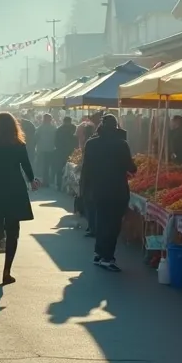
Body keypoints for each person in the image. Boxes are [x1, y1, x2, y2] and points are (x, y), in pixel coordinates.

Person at [0, 112, 37, 284]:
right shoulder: (18, 143)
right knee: (12, 232)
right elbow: (26, 165)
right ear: (14, 127)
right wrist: (32, 180)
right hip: (15, 190)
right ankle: (7, 272)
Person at [80, 114, 136, 272]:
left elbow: (86, 167)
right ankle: (107, 257)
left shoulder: (91, 143)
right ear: (116, 127)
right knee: (113, 224)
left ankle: (99, 253)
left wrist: (84, 188)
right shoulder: (121, 144)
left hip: (97, 189)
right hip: (117, 189)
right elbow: (131, 167)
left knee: (101, 219)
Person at [33, 113, 58, 188]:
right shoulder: (54, 128)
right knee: (49, 166)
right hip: (51, 149)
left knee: (42, 166)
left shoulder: (40, 128)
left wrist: (35, 147)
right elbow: (57, 139)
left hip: (41, 149)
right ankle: (48, 181)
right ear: (50, 120)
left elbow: (35, 138)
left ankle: (42, 182)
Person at [54, 116, 78, 187]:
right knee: (70, 169)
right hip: (71, 151)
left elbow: (56, 142)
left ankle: (59, 184)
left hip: (62, 151)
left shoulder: (59, 129)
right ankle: (68, 186)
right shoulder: (74, 128)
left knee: (61, 168)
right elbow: (76, 140)